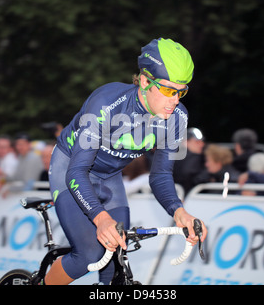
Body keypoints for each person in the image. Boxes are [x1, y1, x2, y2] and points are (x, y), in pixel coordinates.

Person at [45, 38, 207, 285]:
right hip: (71, 167)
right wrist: (100, 219)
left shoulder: (176, 118)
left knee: (117, 256)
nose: (175, 100)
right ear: (144, 81)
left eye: (181, 91)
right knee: (89, 255)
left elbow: (161, 175)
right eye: (167, 90)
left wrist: (180, 211)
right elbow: (77, 171)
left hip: (109, 176)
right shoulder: (106, 104)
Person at [173, 127, 206, 195]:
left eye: (202, 141)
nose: (202, 144)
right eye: (197, 142)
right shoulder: (192, 158)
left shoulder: (202, 157)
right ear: (185, 142)